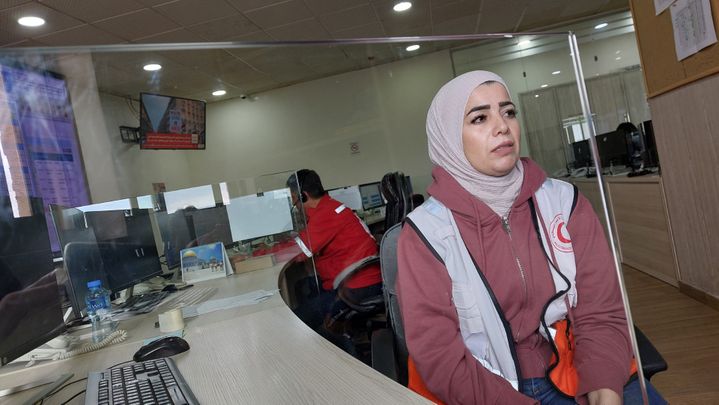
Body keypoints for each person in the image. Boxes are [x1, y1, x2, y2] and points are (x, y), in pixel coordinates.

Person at [396, 71, 666, 405]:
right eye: (480, 118)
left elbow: (600, 311)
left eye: (508, 112)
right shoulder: (426, 233)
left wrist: (605, 390)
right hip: (485, 389)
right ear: (449, 138)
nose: (502, 126)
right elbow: (439, 355)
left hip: (576, 365)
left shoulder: (564, 202)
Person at [288, 170, 382, 344]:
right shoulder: (330, 207)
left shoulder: (326, 214)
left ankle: (343, 358)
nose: (294, 203)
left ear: (303, 195)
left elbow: (297, 251)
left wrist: (264, 253)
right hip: (361, 280)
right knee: (303, 286)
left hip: (356, 287)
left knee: (297, 320)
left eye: (294, 197)